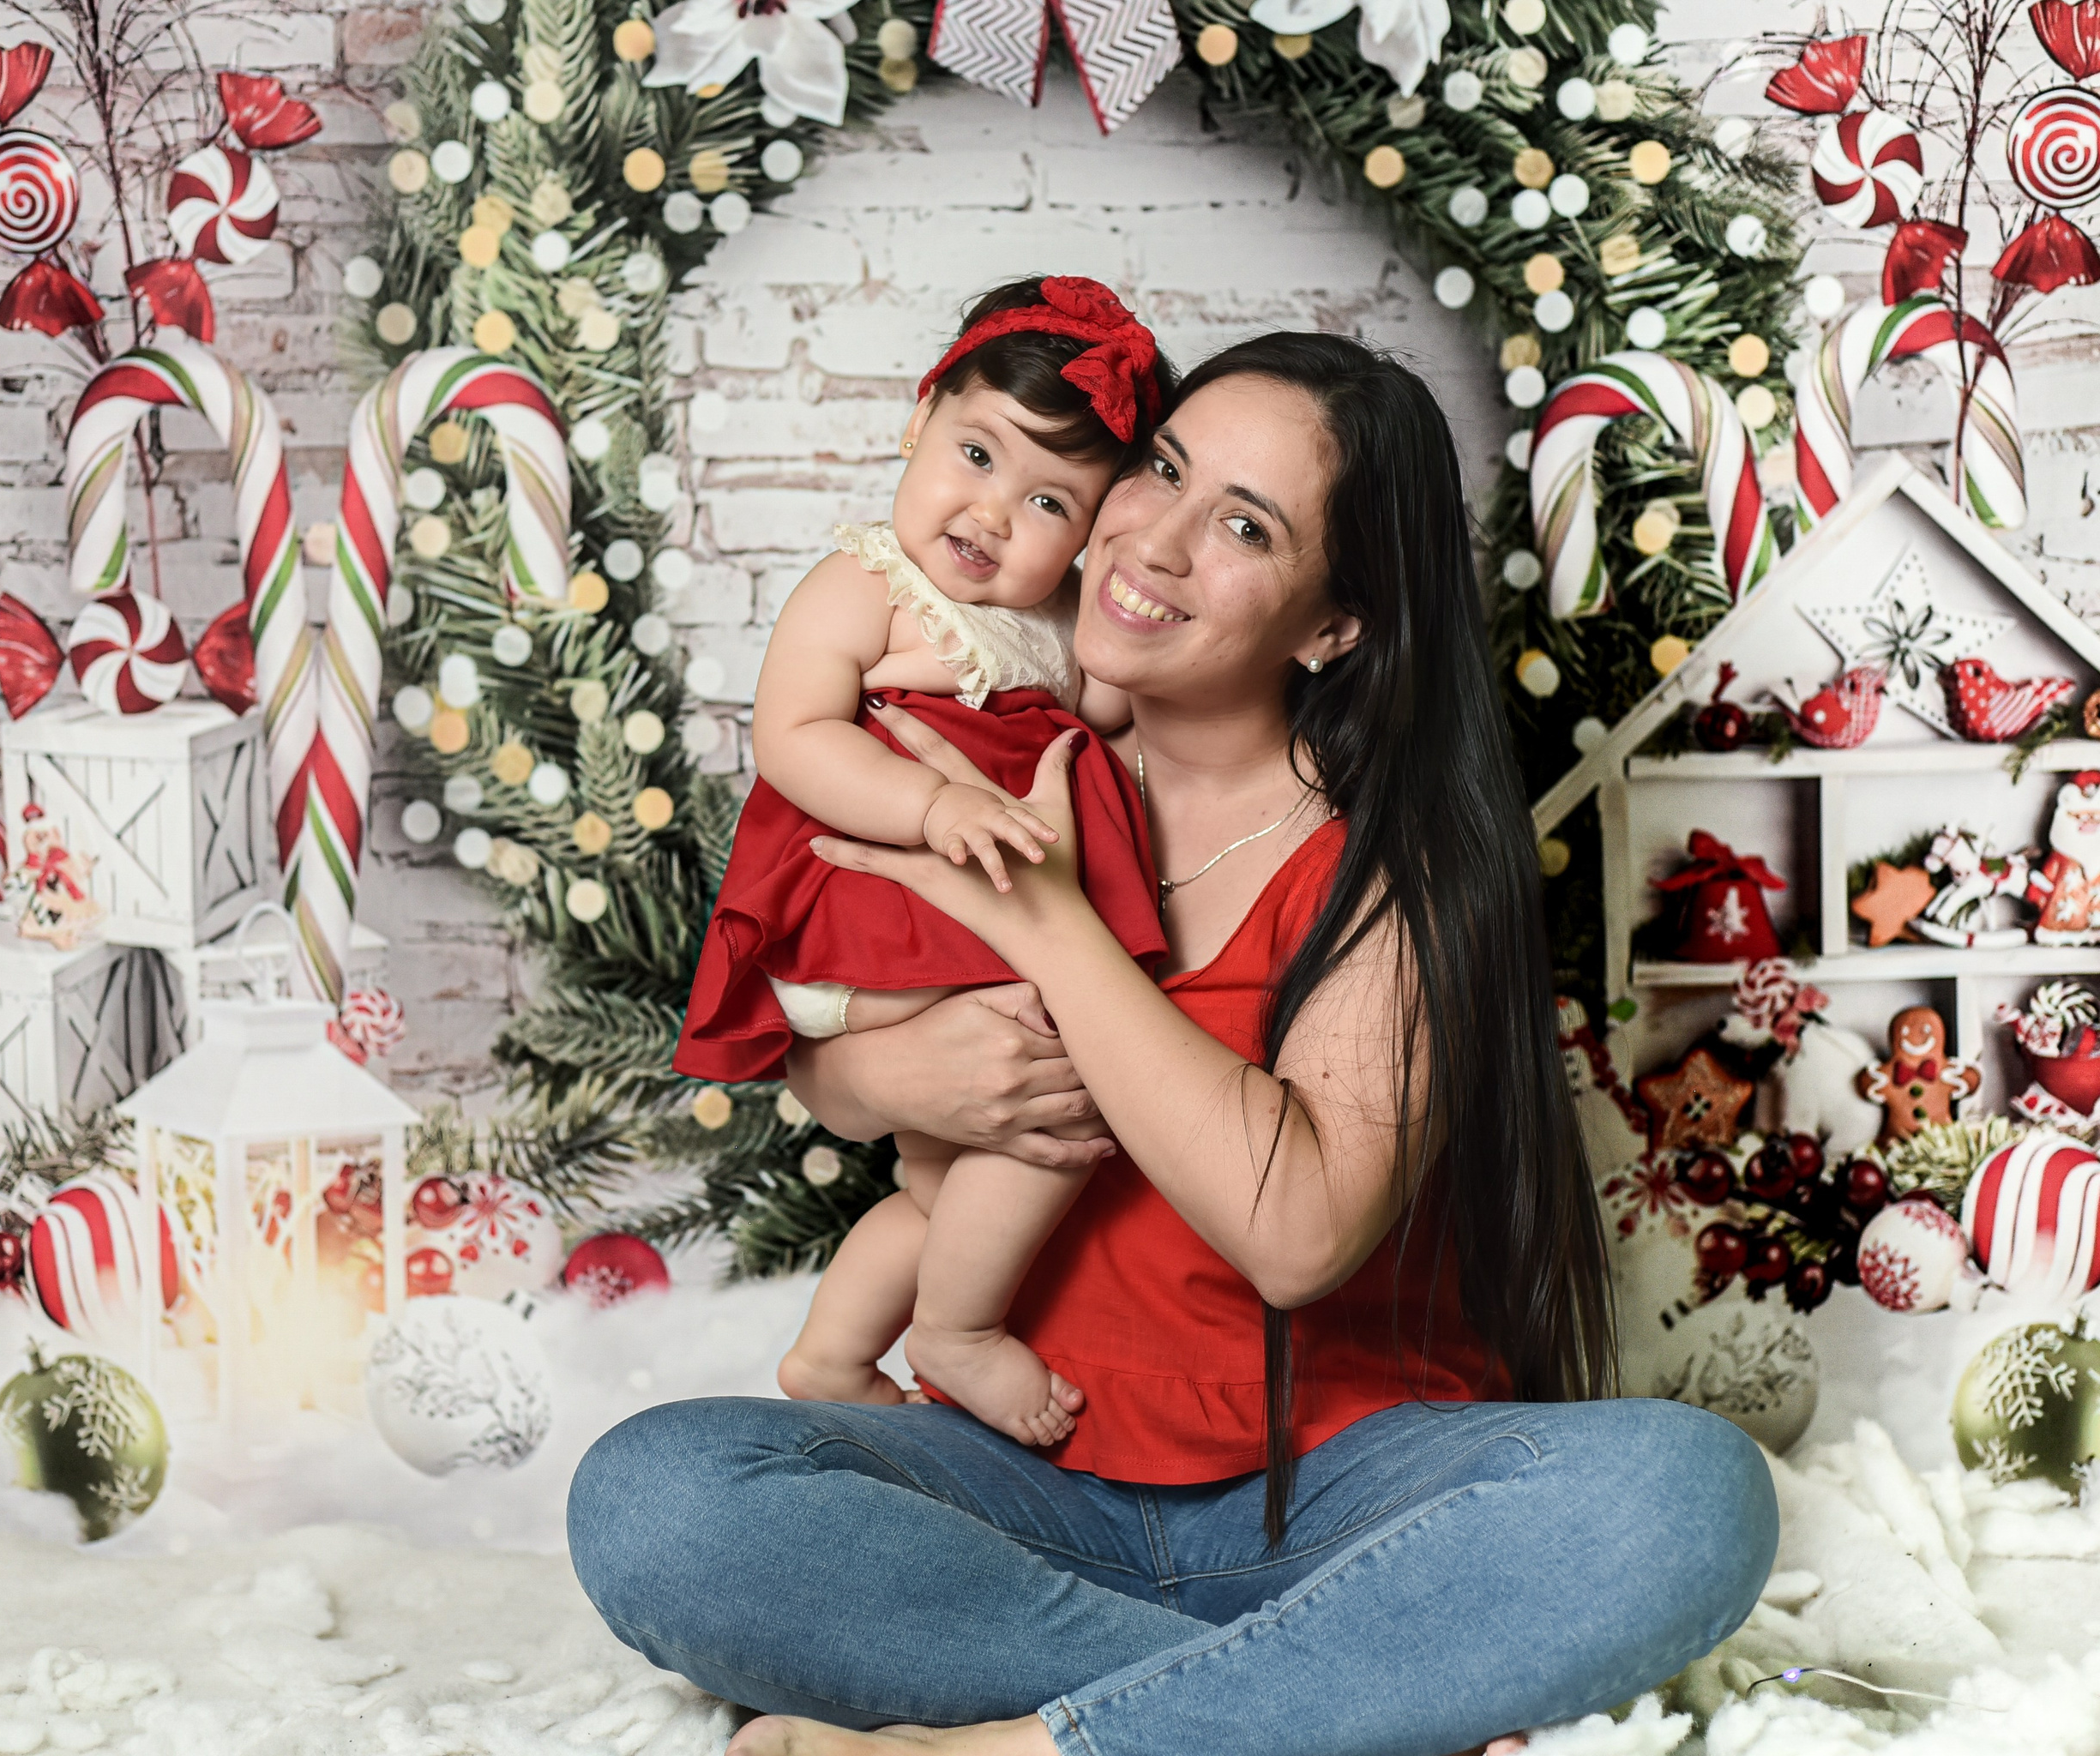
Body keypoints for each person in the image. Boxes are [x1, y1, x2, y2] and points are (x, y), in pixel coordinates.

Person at [571, 333, 1778, 1756]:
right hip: (1026, 1475)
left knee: (1688, 1499)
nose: (1157, 540)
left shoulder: (1401, 864)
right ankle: (1311, 1710)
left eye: (1248, 527)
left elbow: (1297, 1233)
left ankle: (1029, 1746)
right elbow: (827, 1036)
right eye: (1161, 470)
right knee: (653, 1497)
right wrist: (873, 1076)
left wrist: (1050, 924)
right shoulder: (997, 749)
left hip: (1340, 1493)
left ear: (1333, 625)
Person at [673, 276, 1178, 1446]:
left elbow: (1113, 707)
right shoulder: (865, 582)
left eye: (1050, 500)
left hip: (979, 921)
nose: (996, 512)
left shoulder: (1053, 620)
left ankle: (833, 1355)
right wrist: (932, 801)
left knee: (944, 1186)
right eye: (977, 453)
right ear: (917, 420)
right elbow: (792, 736)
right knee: (1063, 1101)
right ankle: (957, 1334)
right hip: (884, 909)